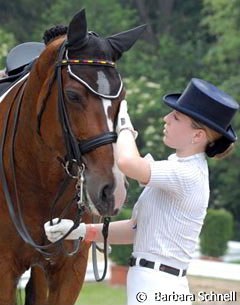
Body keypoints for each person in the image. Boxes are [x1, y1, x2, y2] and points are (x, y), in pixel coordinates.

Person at [44, 78, 239, 304]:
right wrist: (80, 231)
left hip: (159, 286)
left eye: (176, 117)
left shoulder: (187, 173)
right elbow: (136, 229)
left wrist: (123, 125)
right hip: (152, 282)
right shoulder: (176, 168)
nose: (166, 119)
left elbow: (128, 162)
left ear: (198, 136)